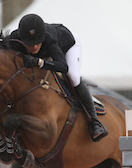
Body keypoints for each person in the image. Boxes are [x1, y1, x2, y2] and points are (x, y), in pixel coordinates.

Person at [7, 14, 107, 142]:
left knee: (73, 75)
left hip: (67, 45)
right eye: (30, 44)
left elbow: (63, 66)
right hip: (47, 52)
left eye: (37, 43)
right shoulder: (15, 40)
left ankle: (94, 122)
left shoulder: (49, 39)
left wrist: (39, 62)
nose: (34, 47)